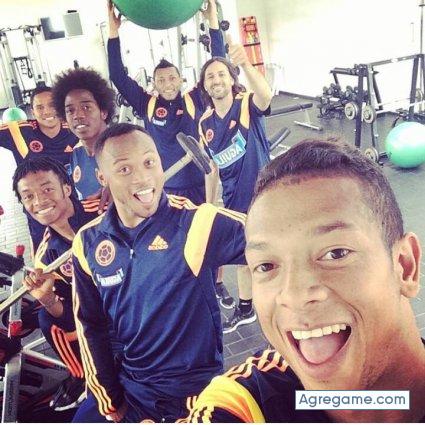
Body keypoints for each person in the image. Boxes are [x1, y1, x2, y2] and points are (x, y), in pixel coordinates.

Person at [188, 139, 425, 423]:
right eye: (266, 266)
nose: (294, 295)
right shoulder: (245, 404)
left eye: (336, 253)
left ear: (405, 266)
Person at [71, 123, 246, 422]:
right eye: (124, 169)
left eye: (149, 162)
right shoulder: (87, 242)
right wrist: (109, 399)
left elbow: (272, 240)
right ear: (102, 177)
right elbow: (91, 325)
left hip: (194, 394)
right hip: (131, 387)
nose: (142, 177)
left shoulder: (196, 223)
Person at [108, 0, 234, 309]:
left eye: (172, 78)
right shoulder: (147, 104)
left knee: (209, 235)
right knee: (173, 244)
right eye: (161, 79)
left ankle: (216, 284)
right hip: (166, 188)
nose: (167, 84)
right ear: (154, 83)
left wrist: (212, 21)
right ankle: (183, 288)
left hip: (200, 184)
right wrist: (113, 32)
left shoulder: (194, 99)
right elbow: (118, 76)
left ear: (181, 80)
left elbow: (218, 61)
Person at [198, 37, 273, 333]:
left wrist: (246, 64)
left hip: (265, 195)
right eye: (210, 76)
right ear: (205, 86)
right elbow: (212, 167)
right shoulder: (204, 123)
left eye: (221, 74)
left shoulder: (245, 105)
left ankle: (274, 304)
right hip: (233, 199)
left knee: (272, 252)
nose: (216, 80)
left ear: (231, 79)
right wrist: (208, 204)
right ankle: (246, 308)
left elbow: (265, 96)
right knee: (244, 256)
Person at [12, 157, 97, 411]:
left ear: (66, 188)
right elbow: (70, 315)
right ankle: (83, 375)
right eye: (28, 196)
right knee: (47, 319)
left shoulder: (104, 208)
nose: (39, 201)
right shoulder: (47, 257)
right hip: (106, 316)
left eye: (47, 189)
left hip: (145, 298)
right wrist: (47, 300)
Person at [0, 85, 78, 252]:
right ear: (32, 112)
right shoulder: (21, 131)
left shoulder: (73, 129)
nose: (46, 111)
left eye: (52, 105)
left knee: (77, 249)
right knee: (45, 253)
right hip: (38, 209)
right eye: (40, 107)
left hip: (70, 203)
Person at [52, 68, 115, 213]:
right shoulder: (77, 152)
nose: (77, 115)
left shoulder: (124, 146)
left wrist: (122, 187)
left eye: (86, 107)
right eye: (70, 110)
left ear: (103, 112)